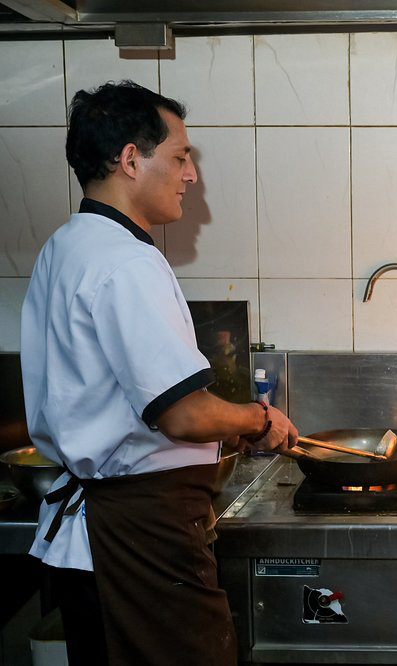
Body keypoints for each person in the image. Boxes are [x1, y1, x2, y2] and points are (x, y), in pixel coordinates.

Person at [20, 80, 300, 666]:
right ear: (129, 159)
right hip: (139, 537)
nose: (190, 175)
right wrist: (257, 418)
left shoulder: (67, 245)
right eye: (179, 156)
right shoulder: (127, 261)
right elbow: (183, 413)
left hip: (97, 536)